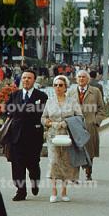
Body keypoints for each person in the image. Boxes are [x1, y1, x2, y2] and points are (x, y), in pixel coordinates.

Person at [4, 68, 47, 201]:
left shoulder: (41, 96)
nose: (26, 80)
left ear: (34, 80)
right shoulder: (15, 95)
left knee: (33, 163)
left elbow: (42, 112)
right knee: (17, 164)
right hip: (16, 135)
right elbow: (7, 109)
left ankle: (35, 182)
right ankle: (20, 191)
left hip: (34, 135)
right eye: (24, 78)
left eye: (29, 78)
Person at [42, 75, 83, 203]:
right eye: (56, 85)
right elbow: (43, 118)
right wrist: (49, 123)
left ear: (65, 87)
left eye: (61, 85)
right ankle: (53, 190)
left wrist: (68, 122)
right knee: (54, 161)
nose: (58, 87)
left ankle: (64, 191)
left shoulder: (72, 101)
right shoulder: (50, 101)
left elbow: (80, 117)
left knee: (65, 162)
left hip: (67, 134)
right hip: (52, 135)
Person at [70, 70, 105, 181]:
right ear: (76, 79)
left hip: (90, 124)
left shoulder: (95, 91)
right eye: (79, 77)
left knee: (89, 150)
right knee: (75, 149)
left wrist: (96, 121)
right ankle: (74, 175)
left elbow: (101, 108)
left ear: (88, 79)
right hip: (75, 125)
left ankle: (88, 172)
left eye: (83, 77)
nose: (81, 79)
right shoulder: (71, 92)